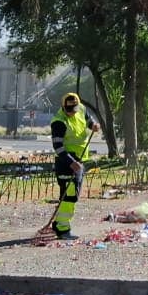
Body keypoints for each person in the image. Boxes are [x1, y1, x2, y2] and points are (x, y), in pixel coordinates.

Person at [50, 92, 99, 240]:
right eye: (69, 110)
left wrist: (93, 126)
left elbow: (87, 119)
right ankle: (62, 228)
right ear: (63, 107)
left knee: (73, 193)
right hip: (66, 162)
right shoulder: (59, 122)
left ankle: (59, 223)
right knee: (69, 195)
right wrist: (71, 162)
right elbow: (58, 147)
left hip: (79, 160)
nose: (72, 113)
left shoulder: (81, 109)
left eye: (74, 109)